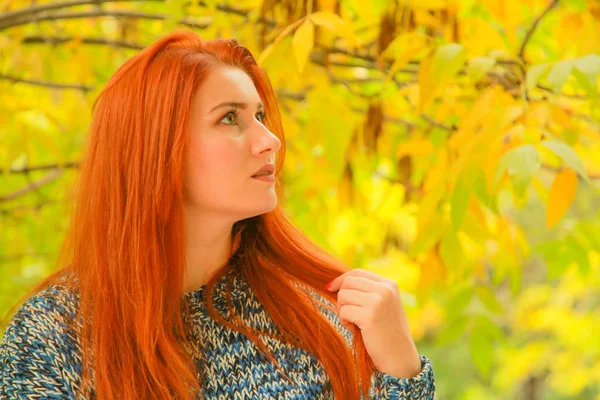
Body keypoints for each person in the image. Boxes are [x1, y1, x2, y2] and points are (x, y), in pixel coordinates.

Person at [0, 30, 435, 399]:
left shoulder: (319, 316)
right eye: (230, 118)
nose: (270, 141)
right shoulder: (52, 336)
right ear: (154, 150)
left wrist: (402, 370)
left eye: (260, 116)